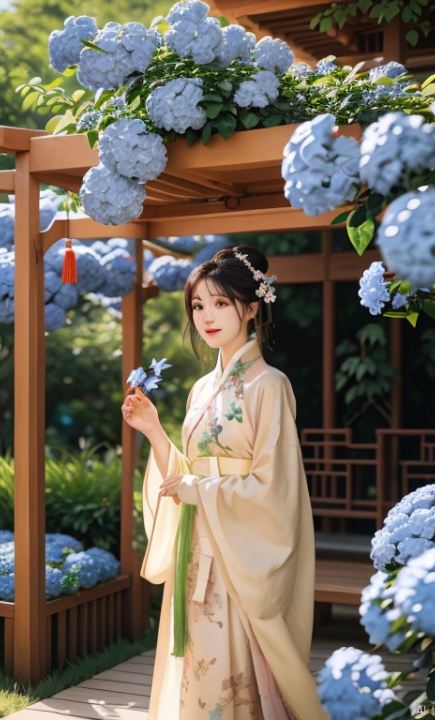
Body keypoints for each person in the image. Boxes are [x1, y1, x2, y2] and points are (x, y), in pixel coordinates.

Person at [121, 245, 328, 720]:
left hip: (241, 552)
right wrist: (154, 432)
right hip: (200, 544)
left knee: (237, 669)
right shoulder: (200, 388)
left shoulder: (269, 385)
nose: (206, 316)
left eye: (220, 303)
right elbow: (188, 473)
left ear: (251, 308)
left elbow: (276, 487)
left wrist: (201, 490)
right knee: (200, 664)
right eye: (198, 305)